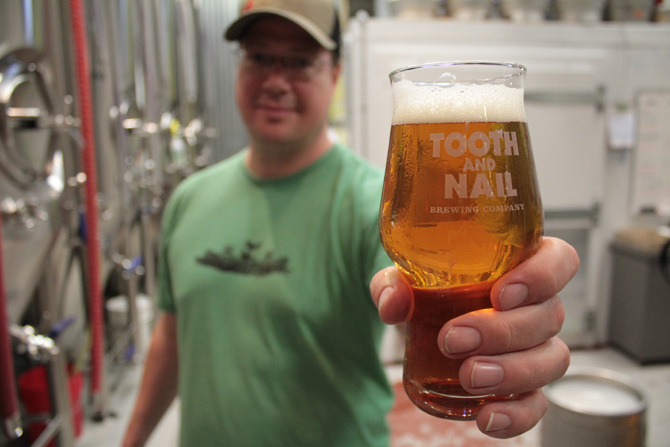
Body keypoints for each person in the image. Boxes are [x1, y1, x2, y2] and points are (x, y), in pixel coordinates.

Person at [121, 0, 578, 446]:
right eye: (260, 57)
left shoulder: (376, 206)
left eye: (300, 62)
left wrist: (509, 332)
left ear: (334, 75)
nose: (276, 81)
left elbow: (419, 293)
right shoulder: (189, 199)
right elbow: (173, 336)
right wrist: (134, 437)